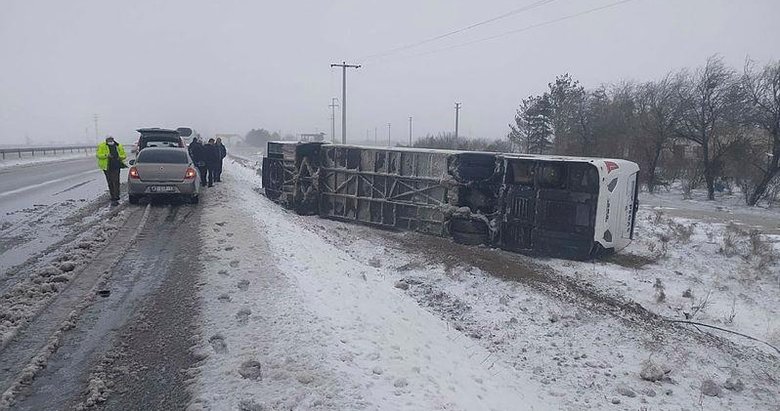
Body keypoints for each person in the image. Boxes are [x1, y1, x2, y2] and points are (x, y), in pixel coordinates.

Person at [96, 136, 127, 206]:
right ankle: (112, 195)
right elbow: (98, 155)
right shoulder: (101, 146)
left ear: (113, 140)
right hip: (107, 167)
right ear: (106, 140)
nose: (110, 141)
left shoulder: (118, 145)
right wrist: (106, 155)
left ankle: (116, 196)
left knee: (116, 181)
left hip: (116, 166)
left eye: (111, 140)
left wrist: (120, 157)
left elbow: (124, 155)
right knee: (110, 181)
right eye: (109, 140)